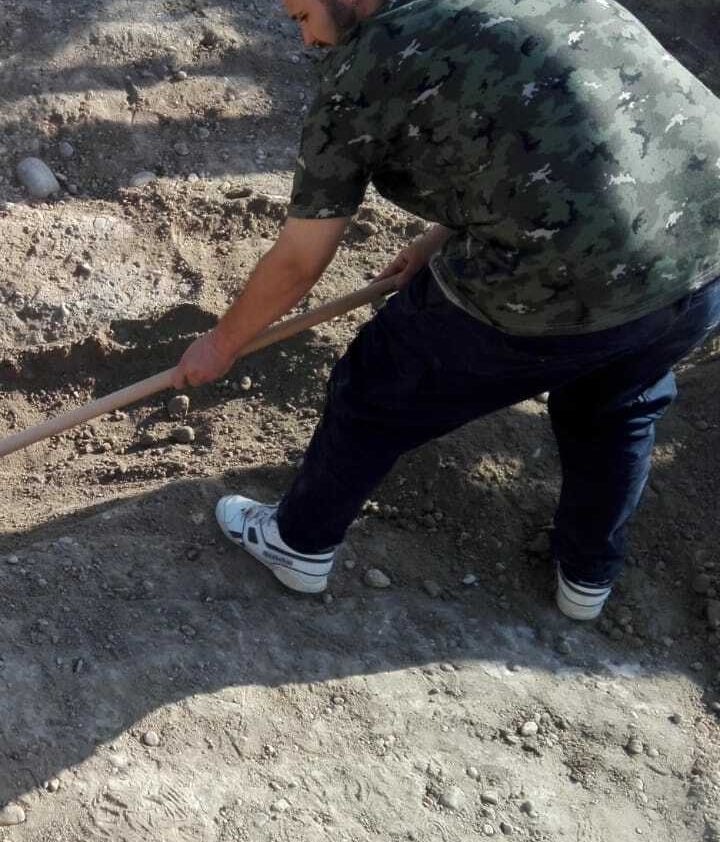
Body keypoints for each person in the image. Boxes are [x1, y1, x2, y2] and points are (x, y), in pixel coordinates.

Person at [172, 0, 720, 620]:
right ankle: (588, 577)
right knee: (617, 405)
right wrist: (437, 240)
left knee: (379, 385)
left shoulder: (365, 65)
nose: (304, 41)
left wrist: (221, 342)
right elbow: (559, 124)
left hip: (564, 274)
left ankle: (297, 543)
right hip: (703, 250)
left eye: (302, 16)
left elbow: (301, 258)